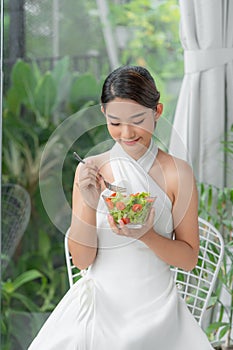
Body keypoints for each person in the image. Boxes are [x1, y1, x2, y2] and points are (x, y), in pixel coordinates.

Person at [28, 65, 214, 349]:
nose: (126, 132)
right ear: (104, 115)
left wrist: (146, 235)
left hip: (157, 312)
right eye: (115, 122)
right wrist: (89, 204)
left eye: (138, 119)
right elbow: (81, 260)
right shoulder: (91, 170)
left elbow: (188, 260)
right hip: (100, 306)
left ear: (157, 112)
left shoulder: (178, 173)